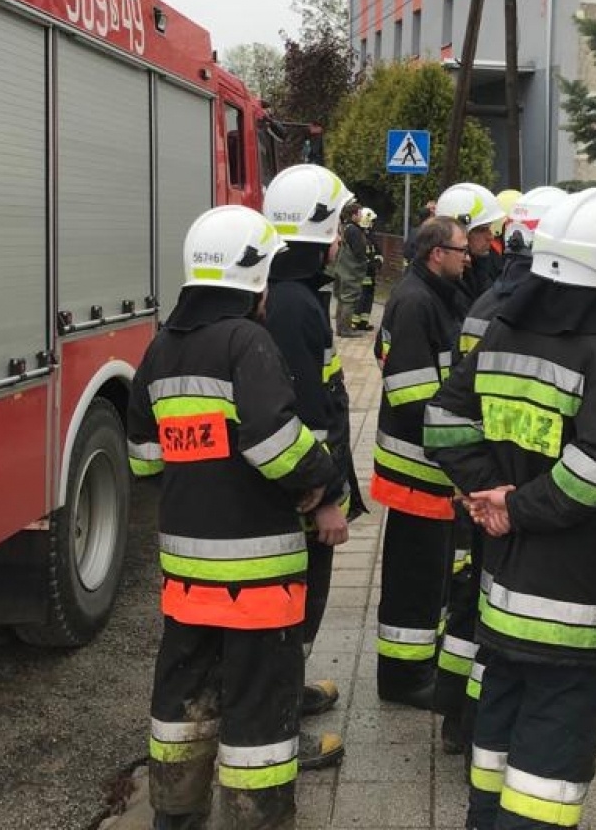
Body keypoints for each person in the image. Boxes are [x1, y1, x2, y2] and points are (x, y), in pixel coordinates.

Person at [424, 189, 596, 830]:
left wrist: (488, 494)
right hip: (572, 603)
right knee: (548, 774)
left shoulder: (501, 329)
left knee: (494, 742)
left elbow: (441, 418)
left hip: (502, 584)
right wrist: (513, 505)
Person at [127, 205, 340, 830]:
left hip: (186, 573)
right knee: (258, 712)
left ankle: (175, 814)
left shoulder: (162, 346)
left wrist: (202, 461)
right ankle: (256, 817)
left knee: (182, 702)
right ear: (254, 279)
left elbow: (144, 458)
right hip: (258, 572)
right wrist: (324, 479)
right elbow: (274, 444)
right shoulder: (248, 342)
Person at [436, 185, 571, 760]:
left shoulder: (486, 304)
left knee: (468, 603)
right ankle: (479, 730)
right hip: (526, 498)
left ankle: (455, 717)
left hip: (477, 488)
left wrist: (477, 483)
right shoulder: (555, 321)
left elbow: (455, 404)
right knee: (494, 618)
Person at [261, 164, 365, 773]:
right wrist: (324, 495)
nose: (340, 237)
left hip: (305, 489)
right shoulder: (295, 305)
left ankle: (287, 693)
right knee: (291, 609)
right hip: (301, 500)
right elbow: (302, 413)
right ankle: (277, 728)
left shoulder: (293, 294)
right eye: (337, 223)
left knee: (298, 608)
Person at [371, 215, 471, 706]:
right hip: (418, 468)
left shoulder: (427, 296)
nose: (467, 256)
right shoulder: (415, 302)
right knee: (413, 579)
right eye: (460, 250)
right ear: (437, 254)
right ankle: (403, 679)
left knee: (428, 575)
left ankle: (416, 666)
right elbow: (412, 396)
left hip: (427, 468)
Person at [437, 182, 507, 303]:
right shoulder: (436, 287)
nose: (490, 237)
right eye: (482, 230)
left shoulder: (485, 260)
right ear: (460, 232)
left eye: (490, 228)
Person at [333, 203, 369, 337]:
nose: (361, 216)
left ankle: (340, 328)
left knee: (342, 299)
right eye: (359, 213)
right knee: (349, 299)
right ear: (354, 215)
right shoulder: (354, 230)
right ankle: (346, 330)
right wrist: (366, 260)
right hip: (351, 270)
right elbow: (359, 252)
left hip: (342, 268)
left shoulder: (344, 227)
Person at [356, 206, 381, 330]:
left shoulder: (370, 236)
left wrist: (378, 261)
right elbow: (360, 255)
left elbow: (377, 251)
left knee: (368, 297)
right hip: (362, 273)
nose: (373, 224)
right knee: (362, 297)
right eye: (371, 221)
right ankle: (355, 322)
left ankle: (363, 322)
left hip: (370, 274)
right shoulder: (359, 236)